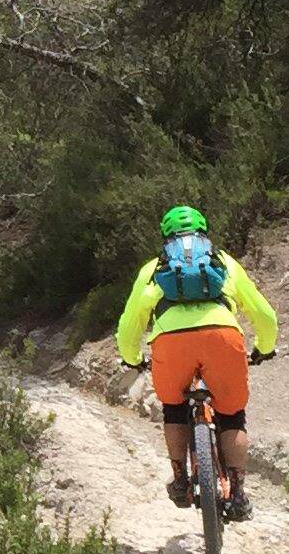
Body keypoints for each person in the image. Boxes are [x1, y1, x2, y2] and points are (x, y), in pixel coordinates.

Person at [115, 204, 278, 520]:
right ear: (204, 231)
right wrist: (264, 348)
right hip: (223, 336)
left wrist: (131, 358)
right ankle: (239, 494)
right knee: (232, 416)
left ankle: (180, 481)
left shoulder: (153, 268)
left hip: (170, 342)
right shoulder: (224, 262)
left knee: (175, 408)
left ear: (165, 235)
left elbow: (130, 322)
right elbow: (264, 314)